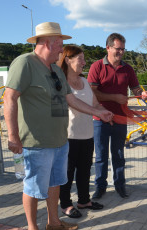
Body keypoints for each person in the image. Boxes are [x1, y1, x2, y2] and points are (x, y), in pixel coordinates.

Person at [4, 22, 113, 230]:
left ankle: (53, 221)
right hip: (35, 142)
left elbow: (70, 99)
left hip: (59, 141)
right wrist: (13, 136)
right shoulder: (24, 63)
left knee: (55, 183)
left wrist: (98, 112)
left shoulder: (55, 70)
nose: (62, 50)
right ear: (46, 43)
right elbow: (10, 98)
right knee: (33, 187)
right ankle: (32, 229)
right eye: (59, 45)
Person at [87, 33, 147, 199]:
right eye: (118, 49)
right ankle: (100, 187)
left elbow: (136, 89)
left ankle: (120, 185)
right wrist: (114, 97)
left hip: (121, 118)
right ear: (108, 48)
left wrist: (142, 94)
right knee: (101, 155)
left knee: (119, 154)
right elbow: (92, 94)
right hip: (100, 118)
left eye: (123, 49)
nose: (121, 52)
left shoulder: (128, 69)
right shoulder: (97, 67)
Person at [57, 45, 106, 218]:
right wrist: (98, 112)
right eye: (81, 59)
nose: (85, 63)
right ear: (68, 60)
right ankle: (65, 204)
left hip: (87, 134)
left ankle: (84, 200)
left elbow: (94, 104)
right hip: (69, 136)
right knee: (67, 173)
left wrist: (103, 111)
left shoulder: (84, 81)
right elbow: (74, 104)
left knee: (85, 170)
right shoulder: (60, 82)